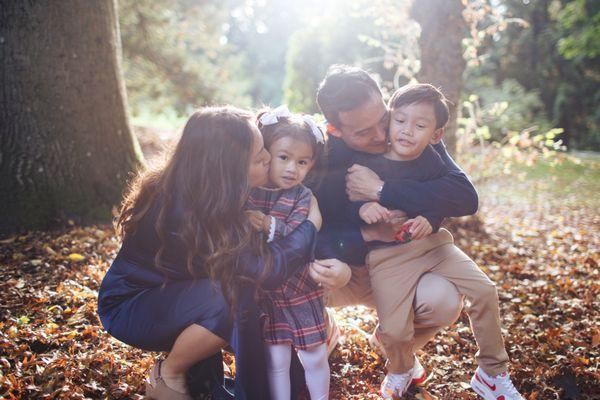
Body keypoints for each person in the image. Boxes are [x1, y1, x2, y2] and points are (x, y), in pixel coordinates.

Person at [96, 106, 337, 400]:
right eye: (259, 155)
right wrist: (310, 225)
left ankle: (224, 387)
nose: (267, 159)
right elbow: (268, 271)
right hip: (134, 306)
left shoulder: (213, 192)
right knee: (233, 295)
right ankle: (169, 373)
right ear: (229, 166)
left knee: (291, 370)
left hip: (185, 296)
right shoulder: (188, 210)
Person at [344, 83, 524, 400]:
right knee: (395, 331)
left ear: (436, 135)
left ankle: (491, 373)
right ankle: (400, 369)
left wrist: (432, 216)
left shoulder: (431, 159)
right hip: (388, 257)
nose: (407, 131)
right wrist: (364, 207)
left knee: (484, 289)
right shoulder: (368, 159)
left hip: (435, 247)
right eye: (400, 121)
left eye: (420, 125)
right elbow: (346, 201)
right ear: (389, 118)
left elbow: (450, 196)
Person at [307, 65, 475, 391]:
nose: (382, 135)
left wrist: (382, 190)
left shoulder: (408, 132)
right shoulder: (318, 154)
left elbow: (464, 197)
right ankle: (321, 327)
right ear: (336, 129)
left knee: (444, 299)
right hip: (343, 273)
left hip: (397, 270)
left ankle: (391, 340)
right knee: (282, 278)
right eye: (364, 132)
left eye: (383, 119)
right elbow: (305, 238)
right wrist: (367, 234)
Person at [246, 106, 330, 400]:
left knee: (314, 354)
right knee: (276, 358)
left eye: (302, 162)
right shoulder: (250, 191)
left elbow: (299, 235)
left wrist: (269, 225)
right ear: (266, 154)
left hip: (299, 289)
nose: (292, 169)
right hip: (265, 292)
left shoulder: (303, 196)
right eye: (284, 158)